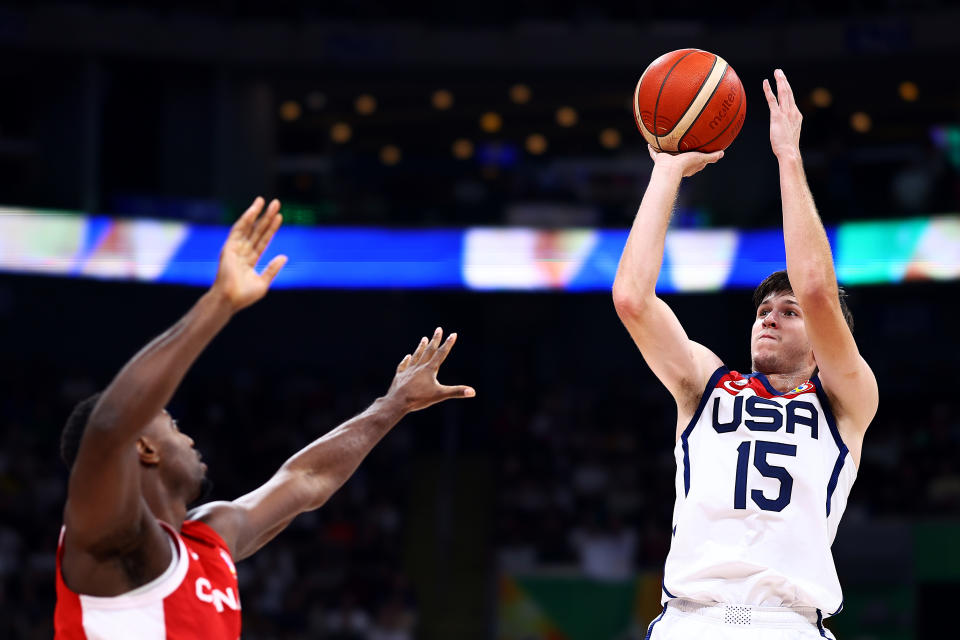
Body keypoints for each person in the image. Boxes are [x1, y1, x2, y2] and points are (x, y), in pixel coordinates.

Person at [54, 197, 475, 639]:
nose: (189, 438)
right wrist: (218, 304)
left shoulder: (210, 537)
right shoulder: (107, 539)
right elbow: (107, 428)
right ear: (143, 446)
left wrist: (394, 404)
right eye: (172, 425)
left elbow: (307, 478)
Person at [612, 70, 878, 639]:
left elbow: (815, 289)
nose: (769, 315)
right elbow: (633, 300)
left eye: (787, 312)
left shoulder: (846, 401)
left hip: (790, 624)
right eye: (762, 309)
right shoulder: (706, 384)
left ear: (825, 341)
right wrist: (666, 169)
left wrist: (788, 157)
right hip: (693, 621)